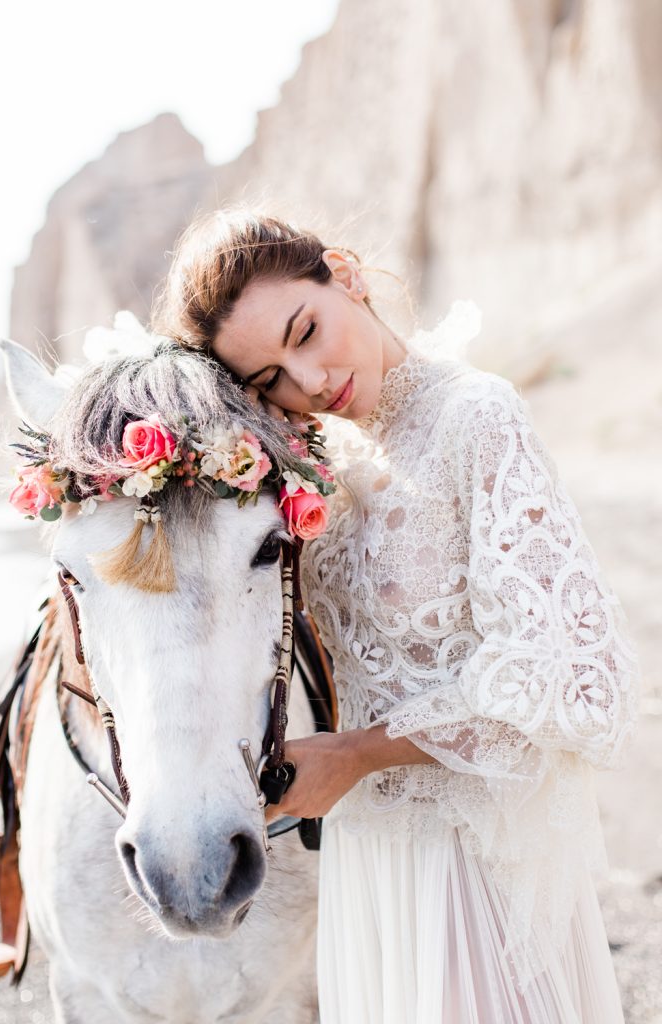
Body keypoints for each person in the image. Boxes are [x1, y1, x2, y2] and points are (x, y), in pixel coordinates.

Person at [156, 210, 639, 1023]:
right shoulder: (327, 466)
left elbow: (568, 672)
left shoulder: (475, 417)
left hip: (474, 856)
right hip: (368, 857)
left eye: (305, 331)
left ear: (342, 273)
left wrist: (355, 754)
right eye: (269, 379)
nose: (306, 382)